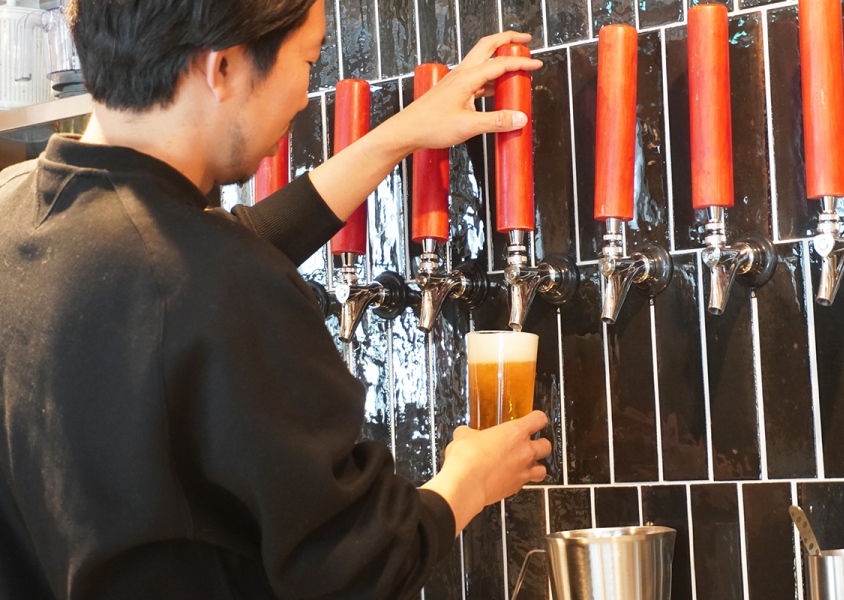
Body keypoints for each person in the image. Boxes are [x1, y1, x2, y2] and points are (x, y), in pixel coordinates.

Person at [0, 0, 552, 598]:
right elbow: (356, 567)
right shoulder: (220, 280)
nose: (302, 99)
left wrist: (400, 135)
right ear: (223, 67)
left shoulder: (16, 209)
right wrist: (469, 480)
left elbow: (201, 247)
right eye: (308, 62)